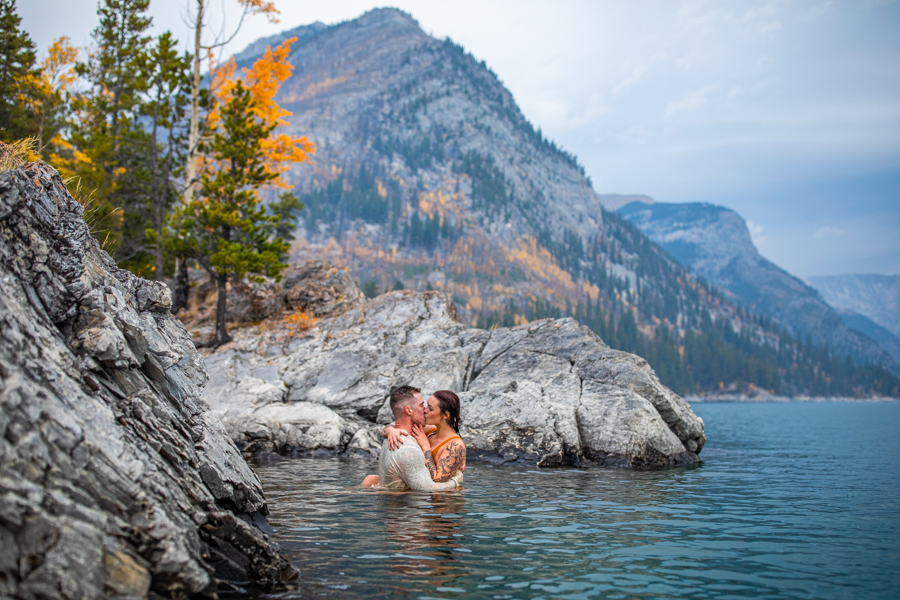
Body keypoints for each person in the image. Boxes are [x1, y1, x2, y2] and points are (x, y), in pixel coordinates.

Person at [361, 386, 462, 491]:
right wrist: (457, 478)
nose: (425, 410)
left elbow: (449, 436)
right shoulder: (409, 450)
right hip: (404, 506)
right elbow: (429, 490)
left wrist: (458, 452)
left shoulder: (393, 435)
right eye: (422, 405)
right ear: (408, 410)